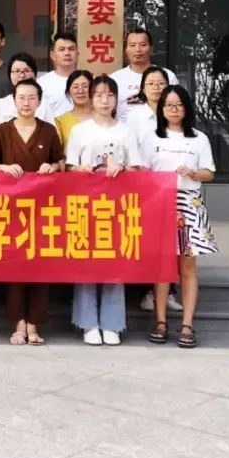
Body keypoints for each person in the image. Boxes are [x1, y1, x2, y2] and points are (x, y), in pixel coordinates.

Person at [0, 78, 65, 346]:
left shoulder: (48, 131)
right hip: (9, 209)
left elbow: (60, 162)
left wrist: (51, 167)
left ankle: (34, 324)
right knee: (15, 267)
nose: (26, 103)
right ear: (13, 100)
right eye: (21, 97)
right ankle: (18, 324)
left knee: (40, 267)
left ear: (39, 101)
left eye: (32, 98)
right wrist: (4, 168)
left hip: (42, 210)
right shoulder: (0, 131)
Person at [65, 75, 142, 346]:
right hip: (86, 205)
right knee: (86, 261)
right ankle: (88, 323)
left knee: (114, 262)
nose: (104, 100)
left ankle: (112, 323)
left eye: (109, 95)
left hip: (118, 206)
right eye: (98, 94)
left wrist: (122, 168)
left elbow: (137, 169)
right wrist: (82, 170)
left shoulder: (126, 131)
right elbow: (69, 167)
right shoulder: (79, 130)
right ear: (91, 98)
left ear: (116, 99)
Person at [145, 86, 218, 349]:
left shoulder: (199, 138)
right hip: (159, 205)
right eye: (168, 105)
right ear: (161, 109)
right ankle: (160, 321)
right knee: (162, 267)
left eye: (178, 105)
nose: (174, 110)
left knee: (187, 267)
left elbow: (210, 172)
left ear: (186, 108)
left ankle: (187, 324)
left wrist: (194, 173)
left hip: (188, 204)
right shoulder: (152, 138)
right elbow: (142, 172)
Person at [127, 65, 182, 316]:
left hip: (172, 186)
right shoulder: (135, 116)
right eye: (151, 84)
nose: (156, 88)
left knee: (171, 241)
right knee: (147, 239)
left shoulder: (175, 114)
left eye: (161, 83)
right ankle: (146, 292)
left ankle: (168, 291)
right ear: (142, 88)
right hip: (143, 185)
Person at [111, 27, 178, 121]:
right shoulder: (115, 79)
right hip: (125, 128)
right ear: (126, 50)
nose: (138, 49)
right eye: (132, 45)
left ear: (151, 49)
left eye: (143, 45)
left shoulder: (168, 76)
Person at [0, 53, 54, 137]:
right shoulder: (0, 105)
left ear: (35, 74)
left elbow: (51, 135)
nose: (22, 75)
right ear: (10, 75)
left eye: (26, 71)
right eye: (17, 71)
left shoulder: (43, 103)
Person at [37, 33, 78, 118]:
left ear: (77, 54)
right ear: (52, 55)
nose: (67, 53)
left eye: (71, 49)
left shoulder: (88, 80)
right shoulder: (42, 83)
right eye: (62, 49)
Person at [56, 69, 93, 145]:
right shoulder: (60, 122)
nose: (81, 91)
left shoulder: (103, 118)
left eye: (85, 86)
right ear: (68, 93)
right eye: (76, 87)